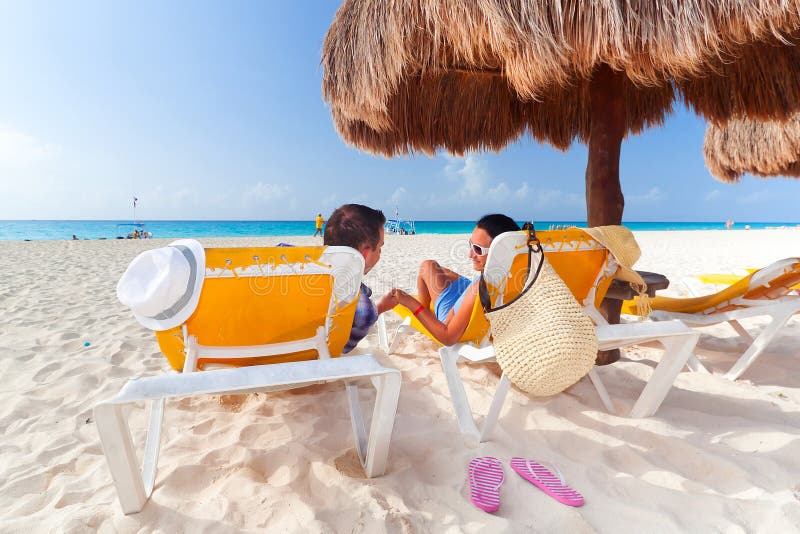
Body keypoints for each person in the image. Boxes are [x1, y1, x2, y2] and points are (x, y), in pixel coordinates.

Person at [391, 214, 520, 346]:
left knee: (427, 266)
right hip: (470, 297)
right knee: (438, 269)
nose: (470, 254)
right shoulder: (517, 275)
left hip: (454, 311)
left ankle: (425, 314)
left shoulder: (480, 288)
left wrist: (410, 302)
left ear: (499, 252)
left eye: (478, 249)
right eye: (471, 245)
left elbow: (448, 337)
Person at [324, 204, 397, 353]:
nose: (380, 254)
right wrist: (381, 307)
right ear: (365, 254)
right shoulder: (357, 299)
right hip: (313, 356)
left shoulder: (299, 272)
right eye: (379, 248)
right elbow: (343, 346)